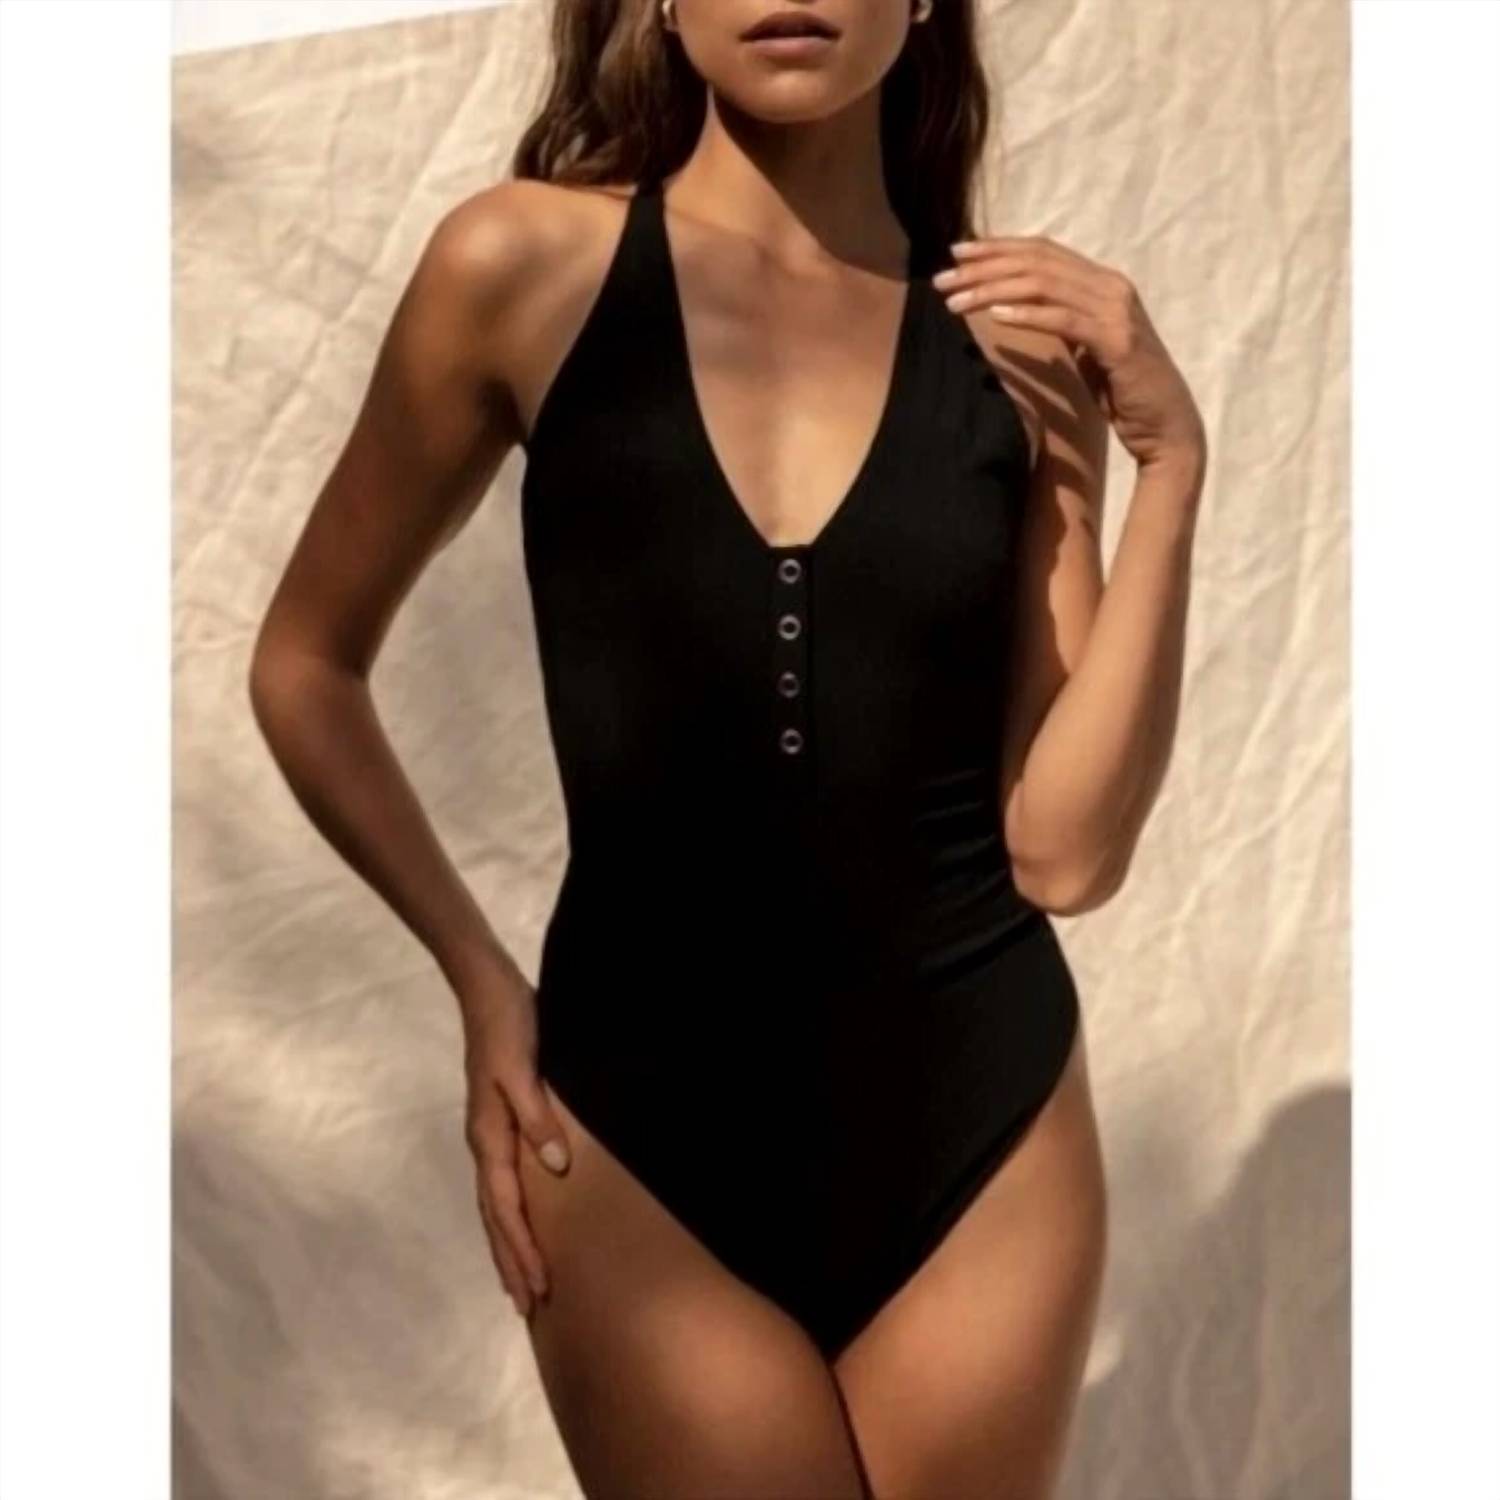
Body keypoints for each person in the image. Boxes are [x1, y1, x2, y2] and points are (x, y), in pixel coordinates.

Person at [249, 0, 1207, 1493]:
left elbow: (1066, 854)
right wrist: (482, 984)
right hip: (637, 1136)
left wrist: (1173, 464)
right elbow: (306, 665)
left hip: (984, 1126)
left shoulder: (1011, 341)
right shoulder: (520, 267)